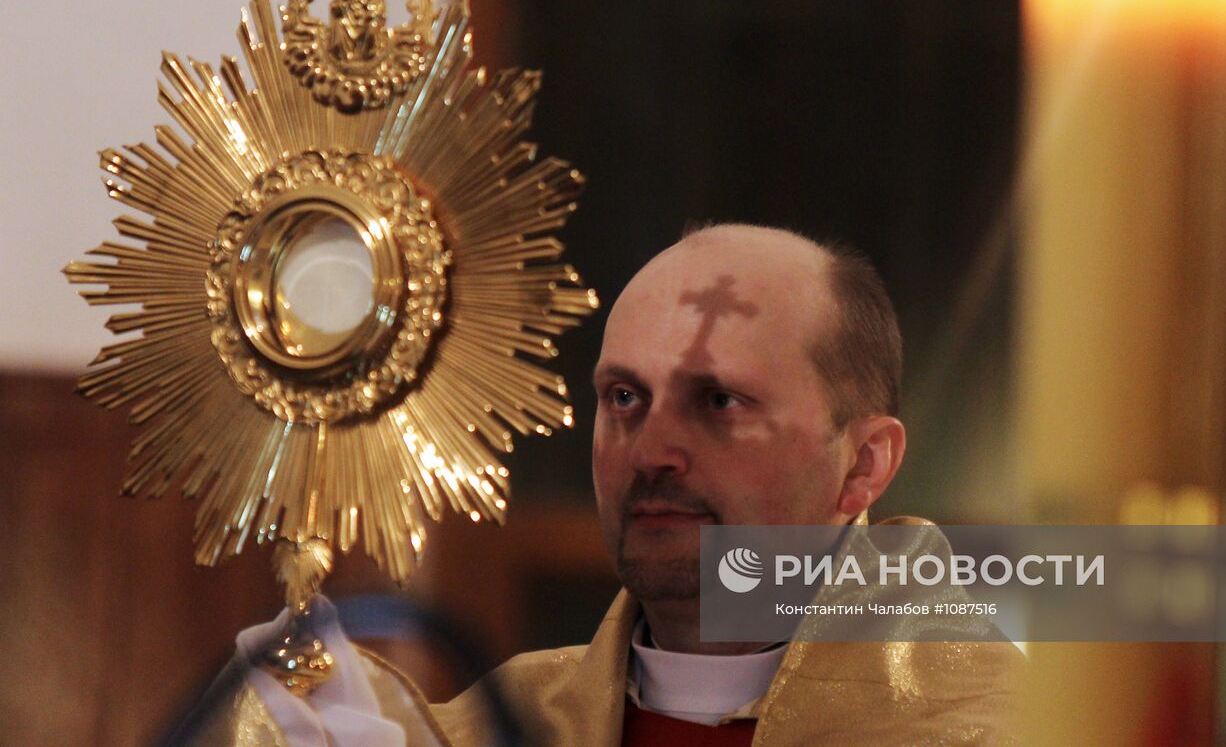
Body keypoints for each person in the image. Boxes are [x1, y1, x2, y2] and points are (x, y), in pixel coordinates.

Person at [218, 223, 1022, 746]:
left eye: (718, 402)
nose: (653, 451)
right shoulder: (494, 729)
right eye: (625, 398)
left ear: (865, 464)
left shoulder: (1015, 727)